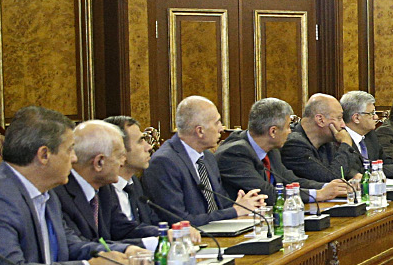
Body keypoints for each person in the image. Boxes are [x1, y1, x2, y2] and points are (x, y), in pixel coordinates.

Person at [0, 106, 144, 265]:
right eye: (69, 150)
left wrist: (123, 251)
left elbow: (69, 244)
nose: (75, 158)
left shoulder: (46, 192)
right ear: (44, 155)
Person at [143, 96, 269, 226]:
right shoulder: (164, 163)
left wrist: (242, 205)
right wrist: (234, 211)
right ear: (200, 131)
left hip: (218, 232)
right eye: (217, 122)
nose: (221, 128)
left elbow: (221, 206)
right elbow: (179, 221)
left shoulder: (207, 157)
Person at [215, 98, 352, 203]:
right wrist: (318, 194)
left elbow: (290, 180)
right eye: (287, 127)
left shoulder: (271, 149)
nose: (290, 131)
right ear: (273, 131)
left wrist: (330, 187)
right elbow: (266, 193)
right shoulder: (234, 153)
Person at [53, 120, 159, 246]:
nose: (123, 161)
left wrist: (166, 234)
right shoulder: (60, 194)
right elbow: (78, 246)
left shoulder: (104, 187)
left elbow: (123, 229)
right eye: (119, 156)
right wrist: (126, 249)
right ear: (99, 162)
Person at [282, 93, 361, 183]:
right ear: (320, 120)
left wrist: (354, 175)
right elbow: (330, 178)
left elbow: (339, 166)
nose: (343, 125)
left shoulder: (327, 142)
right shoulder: (294, 145)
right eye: (339, 118)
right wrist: (346, 143)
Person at [104, 114, 154, 228]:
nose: (149, 147)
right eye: (140, 141)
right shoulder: (102, 192)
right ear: (120, 150)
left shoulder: (133, 183)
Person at [340, 90, 383, 170]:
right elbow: (351, 171)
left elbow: (384, 164)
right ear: (356, 118)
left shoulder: (371, 136)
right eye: (371, 113)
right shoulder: (340, 141)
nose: (376, 117)